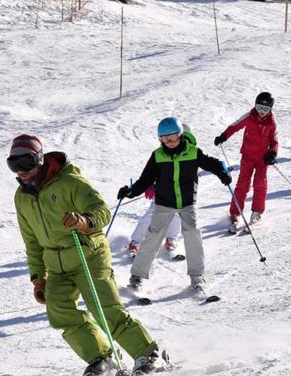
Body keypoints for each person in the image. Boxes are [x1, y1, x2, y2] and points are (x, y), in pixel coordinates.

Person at [8, 134, 170, 376]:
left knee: (105, 309)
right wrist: (38, 278)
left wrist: (85, 222)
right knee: (59, 310)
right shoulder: (22, 198)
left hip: (88, 255)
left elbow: (101, 211)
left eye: (27, 163)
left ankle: (149, 353)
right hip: (57, 265)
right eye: (14, 165)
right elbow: (31, 242)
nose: (21, 171)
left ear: (40, 159)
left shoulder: (70, 182)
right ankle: (102, 359)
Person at [117, 118, 232, 294]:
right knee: (153, 237)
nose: (169, 143)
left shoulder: (193, 152)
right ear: (159, 139)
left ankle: (197, 277)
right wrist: (130, 191)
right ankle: (137, 277)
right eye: (164, 139)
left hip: (187, 203)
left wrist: (222, 173)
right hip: (164, 203)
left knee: (193, 235)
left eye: (172, 138)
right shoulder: (158, 156)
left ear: (180, 135)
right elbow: (145, 180)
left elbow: (213, 164)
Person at [214, 92, 279, 233]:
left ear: (271, 109)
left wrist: (273, 153)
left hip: (262, 159)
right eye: (259, 107)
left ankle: (257, 212)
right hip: (248, 156)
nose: (261, 112)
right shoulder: (250, 116)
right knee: (242, 184)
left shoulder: (272, 122)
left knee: (260, 183)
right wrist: (224, 136)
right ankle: (235, 213)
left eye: (265, 109)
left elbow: (274, 140)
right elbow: (235, 126)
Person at [126, 185, 182, 259]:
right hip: (161, 188)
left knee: (177, 213)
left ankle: (171, 239)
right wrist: (149, 185)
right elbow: (150, 173)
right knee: (152, 214)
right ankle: (135, 241)